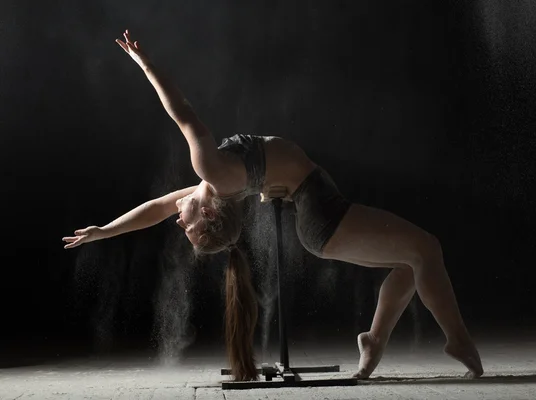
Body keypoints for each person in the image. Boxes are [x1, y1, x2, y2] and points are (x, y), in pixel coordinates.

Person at [63, 30, 484, 382]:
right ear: (208, 215)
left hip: (320, 208)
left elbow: (156, 201)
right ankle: (457, 338)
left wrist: (104, 230)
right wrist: (146, 65)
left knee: (413, 260)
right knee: (426, 249)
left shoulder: (214, 179)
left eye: (182, 227)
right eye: (186, 228)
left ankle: (374, 341)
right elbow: (183, 118)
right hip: (322, 214)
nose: (177, 221)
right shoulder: (213, 175)